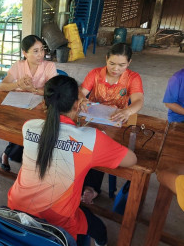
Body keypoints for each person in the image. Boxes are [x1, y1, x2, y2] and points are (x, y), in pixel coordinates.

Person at [7, 76, 137, 245]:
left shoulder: (28, 126)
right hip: (56, 223)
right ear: (77, 105)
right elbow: (131, 160)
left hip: (16, 207)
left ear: (44, 104)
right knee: (100, 229)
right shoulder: (90, 138)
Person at [80, 43, 144, 204]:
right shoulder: (95, 74)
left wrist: (128, 111)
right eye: (112, 63)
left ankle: (90, 188)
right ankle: (80, 184)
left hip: (115, 122)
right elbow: (82, 92)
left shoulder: (132, 77)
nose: (116, 69)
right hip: (92, 118)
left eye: (122, 65)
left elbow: (138, 100)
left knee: (102, 148)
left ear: (129, 63)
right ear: (106, 59)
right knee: (82, 144)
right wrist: (81, 100)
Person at [0, 35, 58, 171]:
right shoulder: (18, 66)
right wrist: (18, 84)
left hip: (39, 109)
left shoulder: (49, 66)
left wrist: (34, 89)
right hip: (20, 106)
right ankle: (9, 153)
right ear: (24, 53)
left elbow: (54, 90)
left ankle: (6, 154)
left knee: (33, 132)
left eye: (42, 50)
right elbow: (2, 86)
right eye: (35, 51)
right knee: (17, 128)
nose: (41, 54)